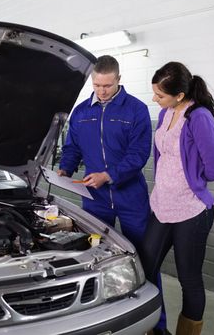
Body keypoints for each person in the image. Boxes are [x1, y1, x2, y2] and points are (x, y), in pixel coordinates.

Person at [57, 55, 169, 332]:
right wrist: (64, 170)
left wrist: (109, 176)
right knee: (97, 262)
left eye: (107, 85)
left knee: (145, 261)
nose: (102, 91)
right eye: (97, 85)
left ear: (118, 80)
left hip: (131, 198)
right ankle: (102, 321)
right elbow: (72, 149)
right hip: (95, 202)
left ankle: (158, 325)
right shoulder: (81, 112)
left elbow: (139, 154)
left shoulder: (136, 110)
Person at [142, 62, 214, 335]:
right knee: (144, 268)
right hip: (161, 206)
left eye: (160, 95)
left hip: (191, 211)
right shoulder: (167, 113)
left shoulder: (198, 117)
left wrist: (188, 177)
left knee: (188, 279)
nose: (155, 99)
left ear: (179, 95)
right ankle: (152, 327)